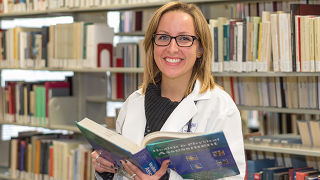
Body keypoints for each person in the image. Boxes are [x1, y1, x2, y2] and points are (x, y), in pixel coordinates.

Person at [91, 1, 246, 179]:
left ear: (200, 49)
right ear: (153, 44)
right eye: (163, 37)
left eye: (184, 39)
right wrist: (106, 172)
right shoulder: (134, 102)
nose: (172, 49)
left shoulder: (219, 107)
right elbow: (123, 173)